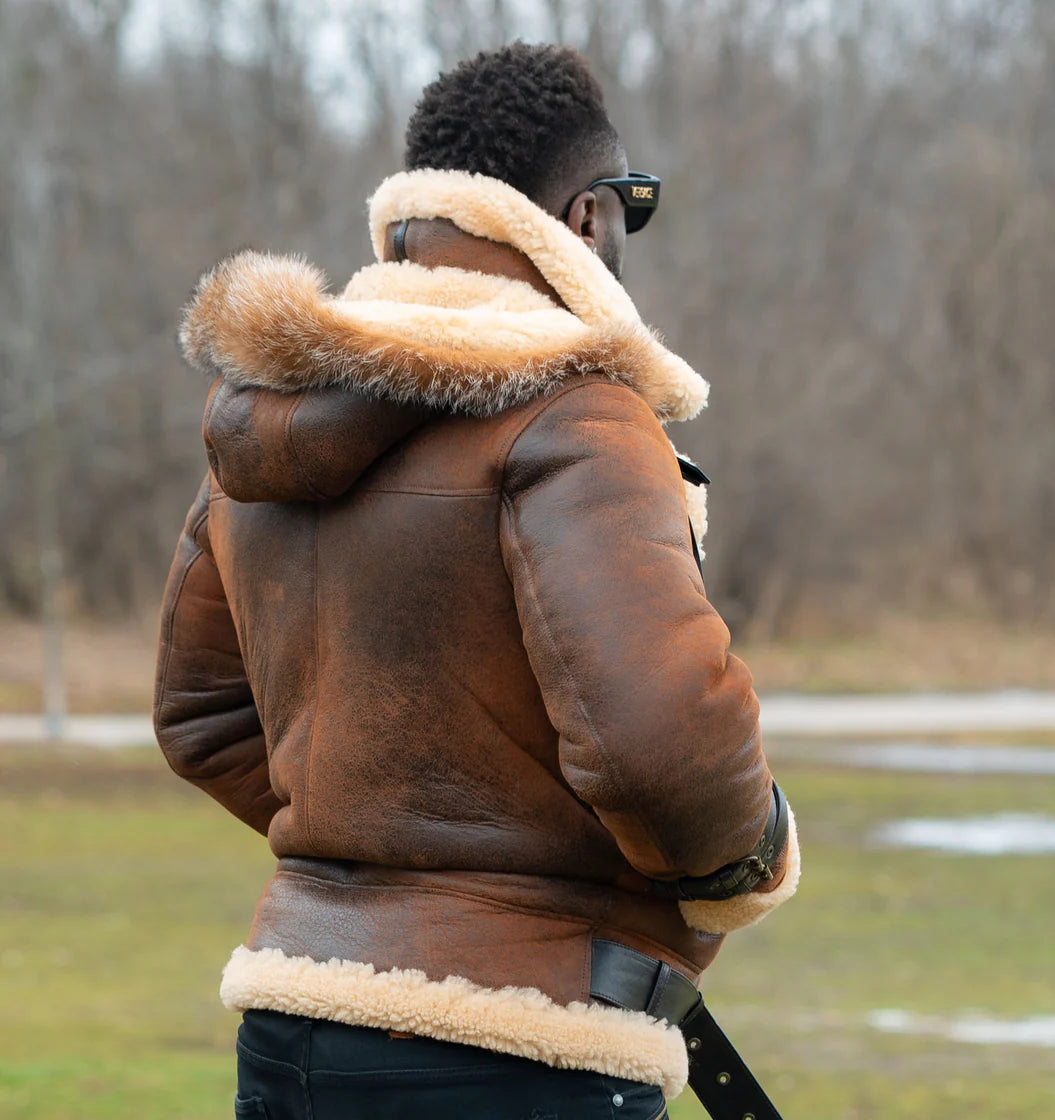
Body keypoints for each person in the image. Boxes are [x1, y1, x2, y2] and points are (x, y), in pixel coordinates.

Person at [155, 42, 800, 1120]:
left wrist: (378, 849)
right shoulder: (579, 414)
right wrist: (753, 850)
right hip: (520, 1048)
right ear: (587, 217)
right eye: (630, 207)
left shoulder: (276, 420)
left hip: (288, 1036)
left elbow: (201, 715)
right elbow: (661, 741)